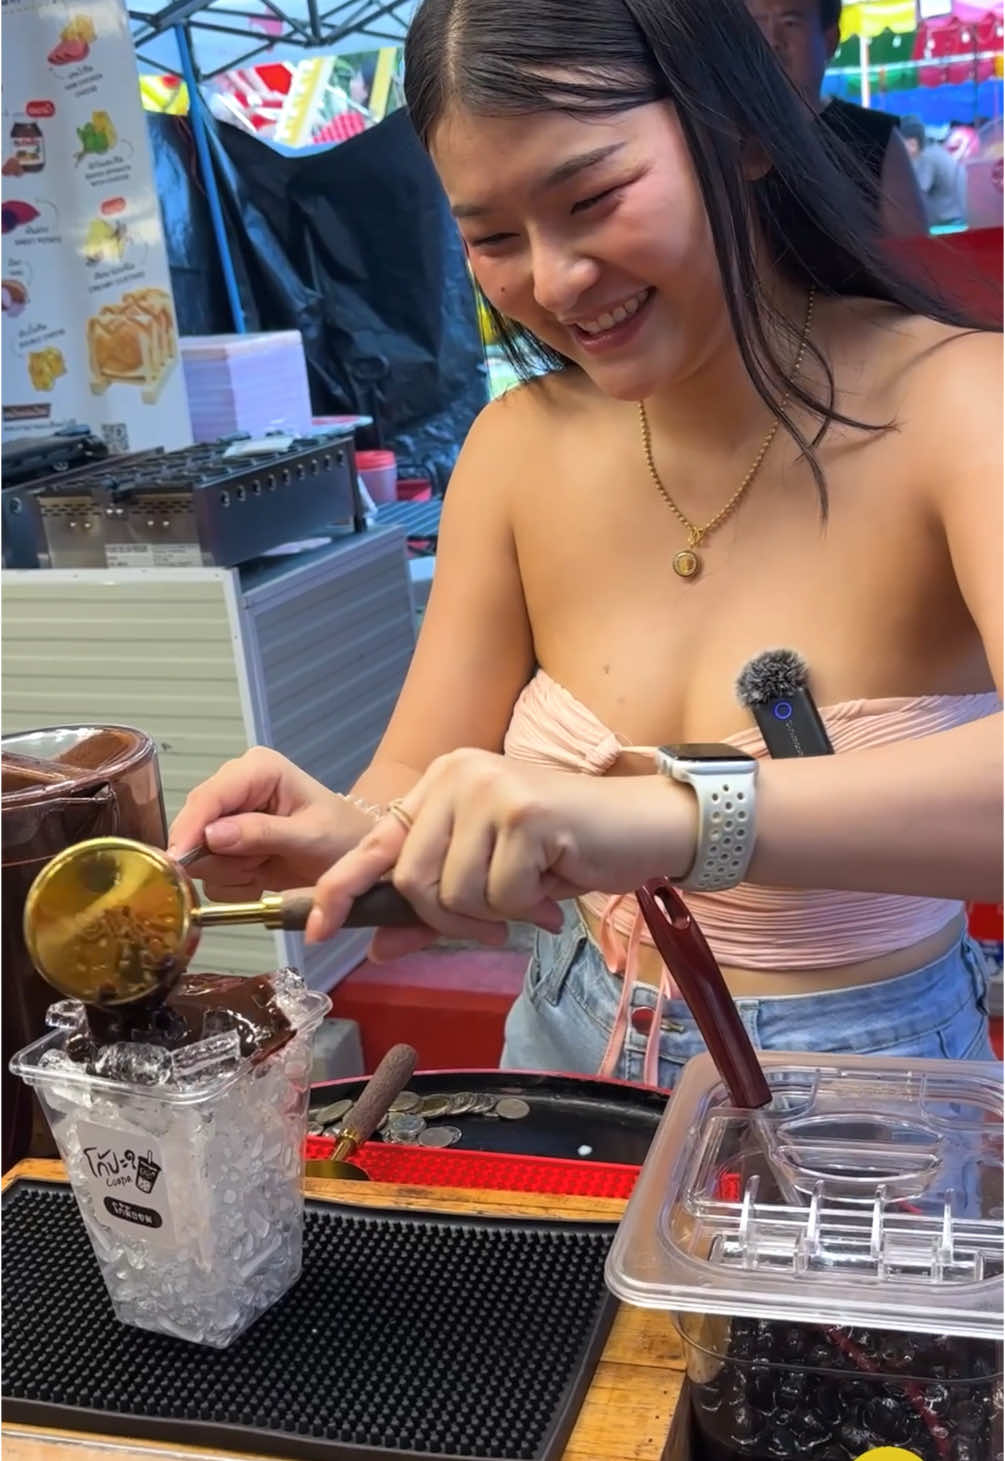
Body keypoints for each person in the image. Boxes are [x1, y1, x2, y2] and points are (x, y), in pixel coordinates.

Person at [170, 0, 1001, 1089]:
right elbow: (418, 766)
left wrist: (662, 817)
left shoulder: (957, 407)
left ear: (743, 130)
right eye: (494, 239)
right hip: (564, 1050)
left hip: (864, 1097)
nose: (554, 281)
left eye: (593, 198)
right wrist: (364, 835)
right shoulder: (518, 447)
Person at [748, 0, 928, 238]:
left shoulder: (876, 138)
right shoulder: (722, 141)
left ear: (830, 40)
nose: (772, 41)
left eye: (790, 23)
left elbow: (916, 259)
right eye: (757, 25)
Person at [899, 115, 965, 230]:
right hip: (958, 221)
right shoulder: (936, 151)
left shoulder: (926, 158)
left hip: (947, 226)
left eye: (899, 143)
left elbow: (914, 196)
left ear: (912, 144)